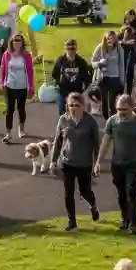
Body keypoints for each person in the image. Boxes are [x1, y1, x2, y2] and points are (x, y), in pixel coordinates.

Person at [94, 93, 136, 235]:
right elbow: (105, 143)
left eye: (124, 109)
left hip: (133, 163)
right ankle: (125, 219)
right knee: (121, 194)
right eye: (118, 109)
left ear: (132, 108)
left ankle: (134, 223)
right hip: (117, 164)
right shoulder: (112, 121)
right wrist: (98, 162)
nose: (121, 112)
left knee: (131, 192)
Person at [54, 91, 101, 231]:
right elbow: (57, 140)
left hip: (84, 163)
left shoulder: (90, 121)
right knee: (68, 193)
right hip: (67, 162)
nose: (73, 108)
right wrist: (53, 160)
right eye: (70, 105)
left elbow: (96, 144)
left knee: (85, 191)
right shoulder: (63, 120)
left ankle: (93, 206)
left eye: (76, 105)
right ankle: (71, 220)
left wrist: (97, 163)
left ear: (83, 105)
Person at [0, 33, 34, 142]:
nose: (17, 43)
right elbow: (3, 68)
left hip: (22, 86)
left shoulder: (26, 55)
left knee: (21, 108)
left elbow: (30, 71)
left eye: (19, 41)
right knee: (9, 109)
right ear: (12, 42)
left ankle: (21, 129)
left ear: (22, 43)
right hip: (9, 85)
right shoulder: (7, 54)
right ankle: (8, 132)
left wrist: (31, 86)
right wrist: (2, 82)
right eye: (15, 40)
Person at [50, 38, 93, 115]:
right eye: (68, 48)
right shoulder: (60, 61)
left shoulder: (81, 62)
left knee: (77, 113)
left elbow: (87, 78)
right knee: (62, 112)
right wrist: (57, 84)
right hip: (63, 92)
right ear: (65, 49)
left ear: (76, 49)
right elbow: (54, 75)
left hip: (77, 92)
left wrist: (85, 89)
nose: (71, 51)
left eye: (73, 48)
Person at [91, 31, 125, 118]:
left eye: (112, 38)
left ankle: (113, 119)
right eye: (108, 38)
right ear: (105, 39)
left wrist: (122, 79)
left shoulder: (118, 48)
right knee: (104, 100)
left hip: (115, 77)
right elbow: (93, 63)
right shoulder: (100, 48)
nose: (110, 40)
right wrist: (99, 64)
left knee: (112, 102)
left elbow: (121, 65)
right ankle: (106, 119)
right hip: (103, 78)